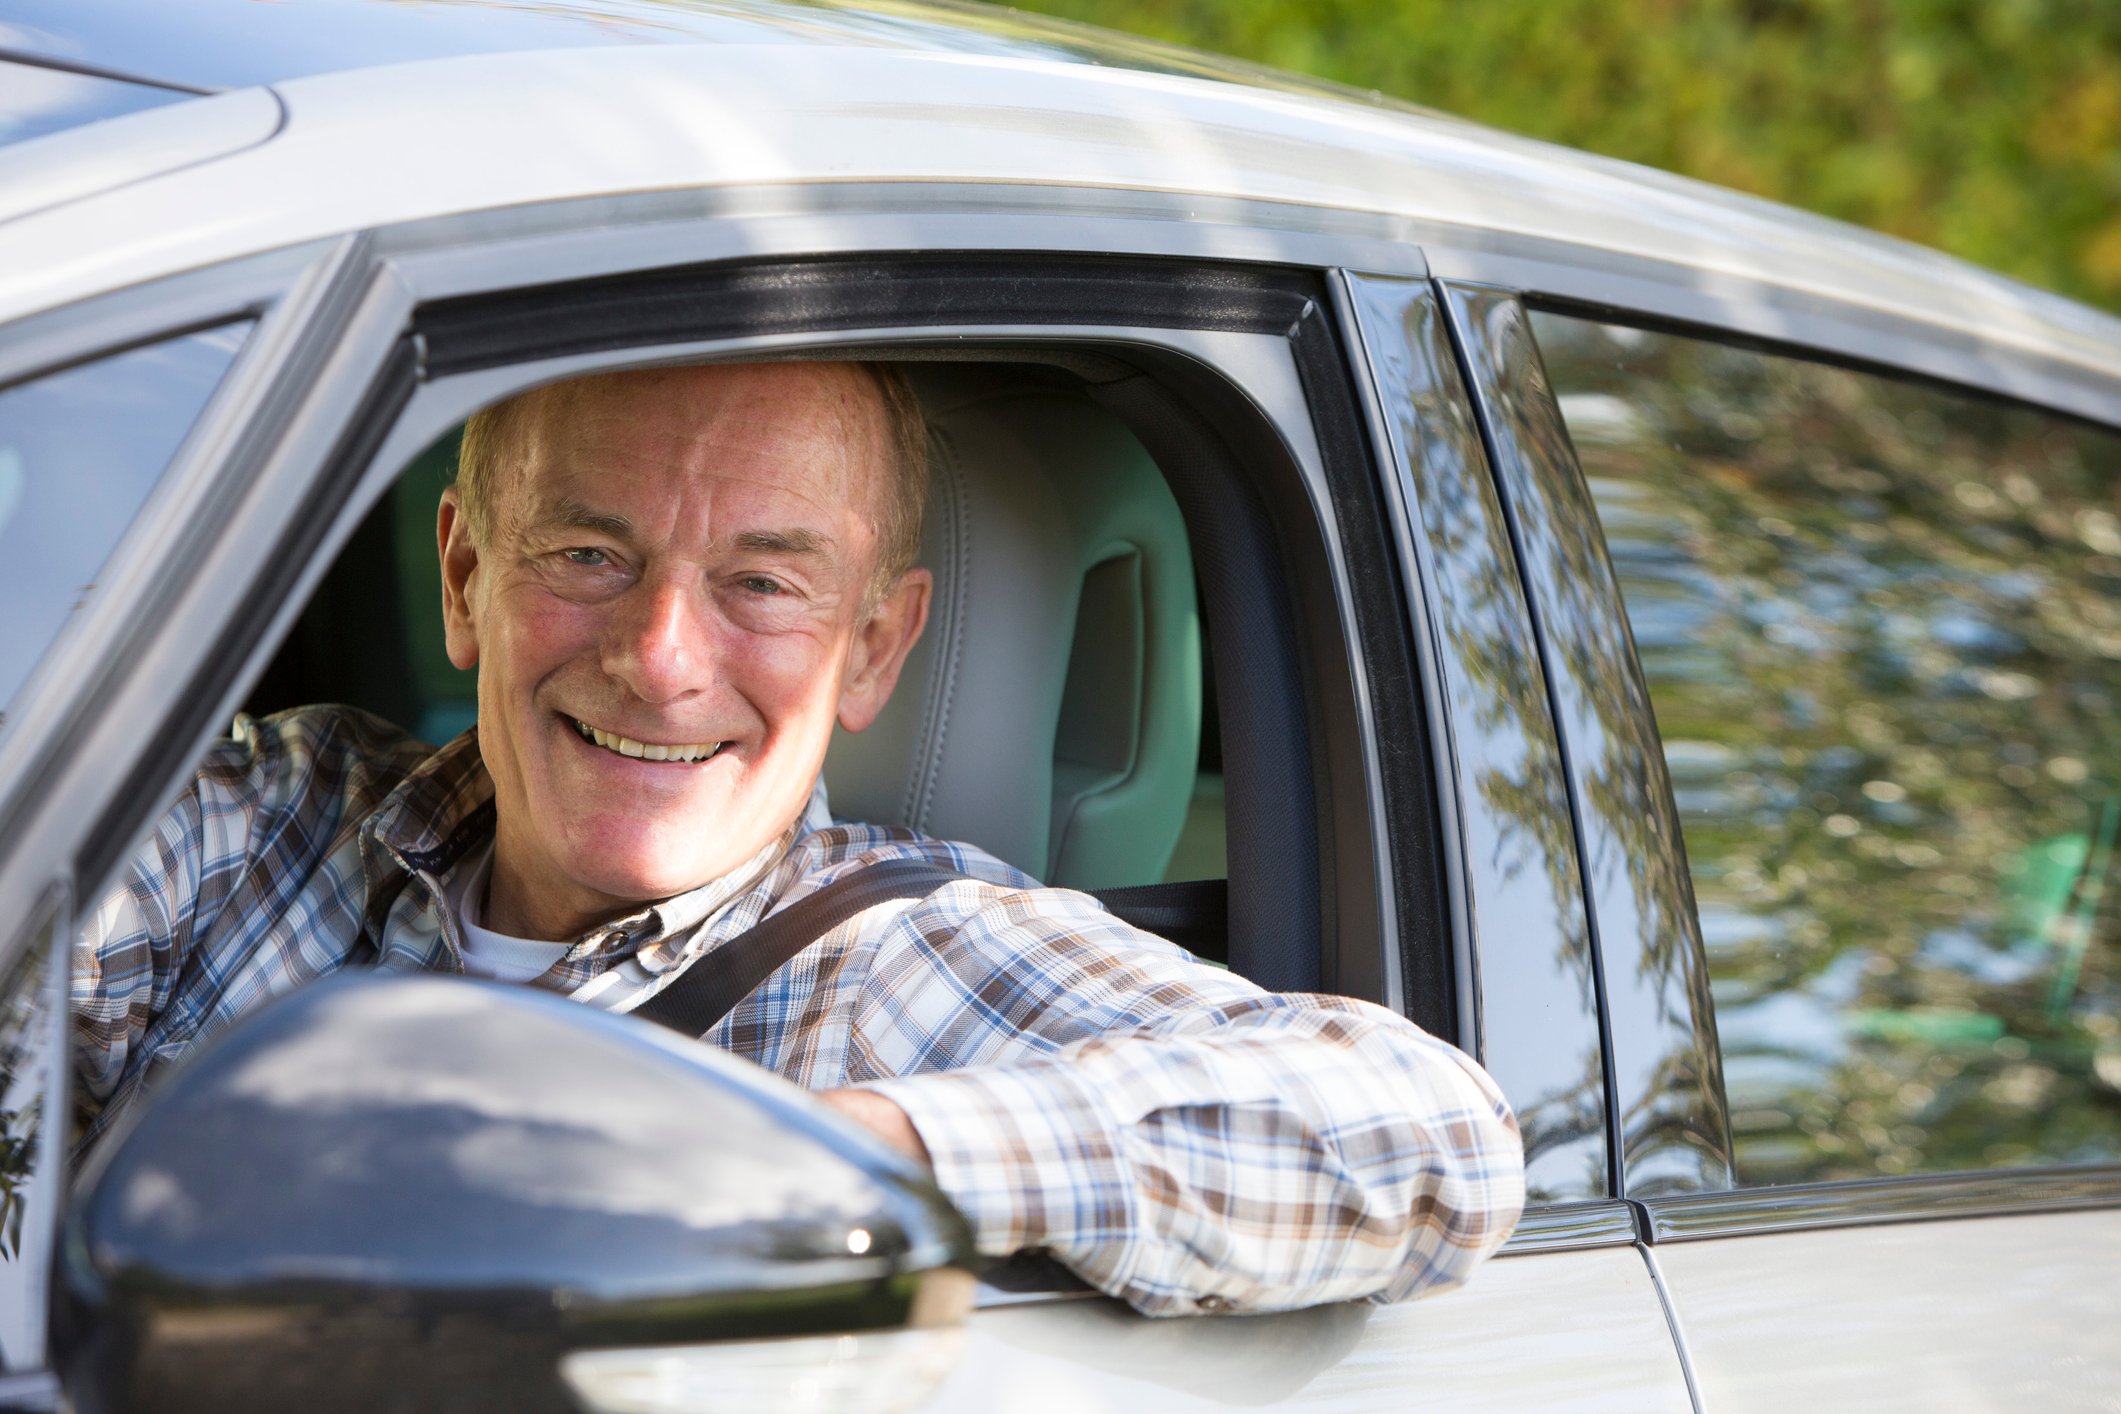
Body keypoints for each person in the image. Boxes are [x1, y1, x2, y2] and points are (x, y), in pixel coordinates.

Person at [72, 360, 1524, 1316]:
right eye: (588, 555)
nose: (657, 657)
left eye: (761, 583)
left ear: (876, 644)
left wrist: (832, 1159)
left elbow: (1431, 1133)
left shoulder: (906, 962)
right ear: (465, 575)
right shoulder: (266, 818)